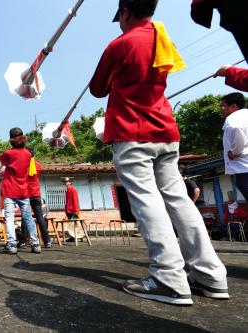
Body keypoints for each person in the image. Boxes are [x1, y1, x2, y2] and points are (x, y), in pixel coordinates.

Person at [89, 0, 228, 305]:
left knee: (147, 202)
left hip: (133, 133)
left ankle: (168, 277)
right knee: (179, 201)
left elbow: (97, 89)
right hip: (166, 131)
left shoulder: (121, 43)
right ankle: (211, 276)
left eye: (121, 18)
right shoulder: (163, 37)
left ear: (125, 12)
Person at [0, 127, 40, 254]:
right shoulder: (28, 154)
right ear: (23, 138)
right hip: (23, 190)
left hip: (10, 189)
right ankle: (35, 244)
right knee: (28, 217)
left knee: (9, 217)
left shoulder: (8, 153)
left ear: (11, 140)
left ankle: (11, 244)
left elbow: (0, 162)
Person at [19, 147, 51, 248]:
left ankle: (23, 241)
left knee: (25, 217)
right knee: (40, 218)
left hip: (27, 195)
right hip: (36, 194)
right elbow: (40, 167)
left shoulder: (24, 166)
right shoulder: (37, 165)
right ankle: (47, 241)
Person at [220, 92, 248, 200]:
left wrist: (236, 152)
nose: (221, 109)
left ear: (233, 106)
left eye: (223, 105)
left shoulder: (232, 119)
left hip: (244, 167)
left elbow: (235, 128)